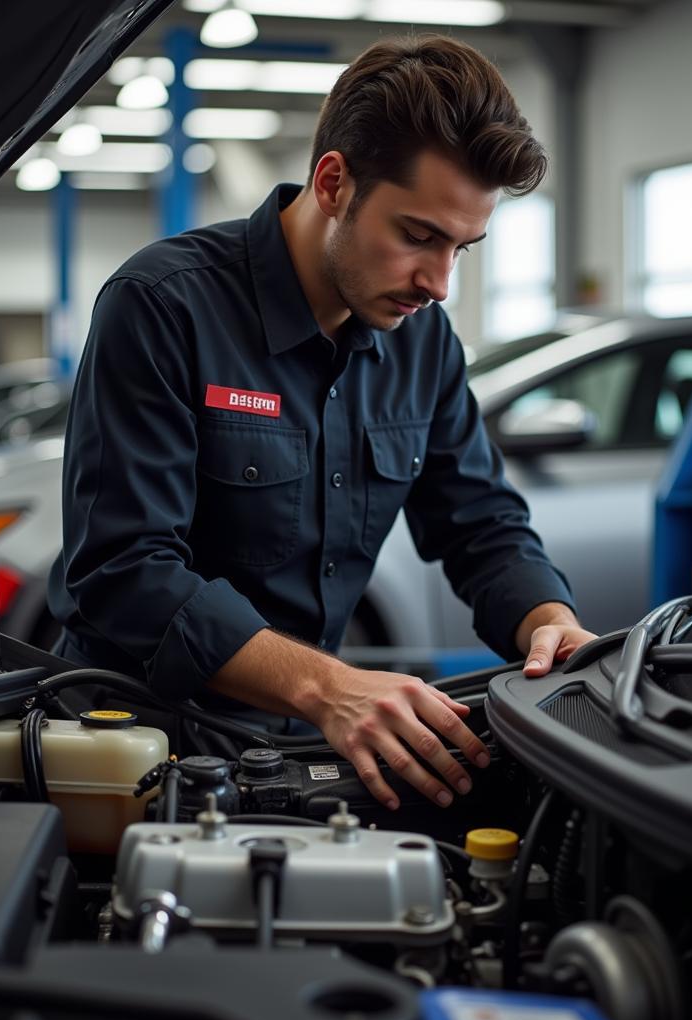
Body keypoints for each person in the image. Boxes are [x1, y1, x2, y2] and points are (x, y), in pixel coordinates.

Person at [47, 35, 595, 811]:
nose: (440, 284)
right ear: (334, 182)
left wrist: (551, 621)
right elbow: (124, 572)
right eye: (417, 235)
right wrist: (329, 686)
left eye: (463, 248)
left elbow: (482, 524)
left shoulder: (423, 342)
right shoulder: (164, 307)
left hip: (303, 746)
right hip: (136, 750)